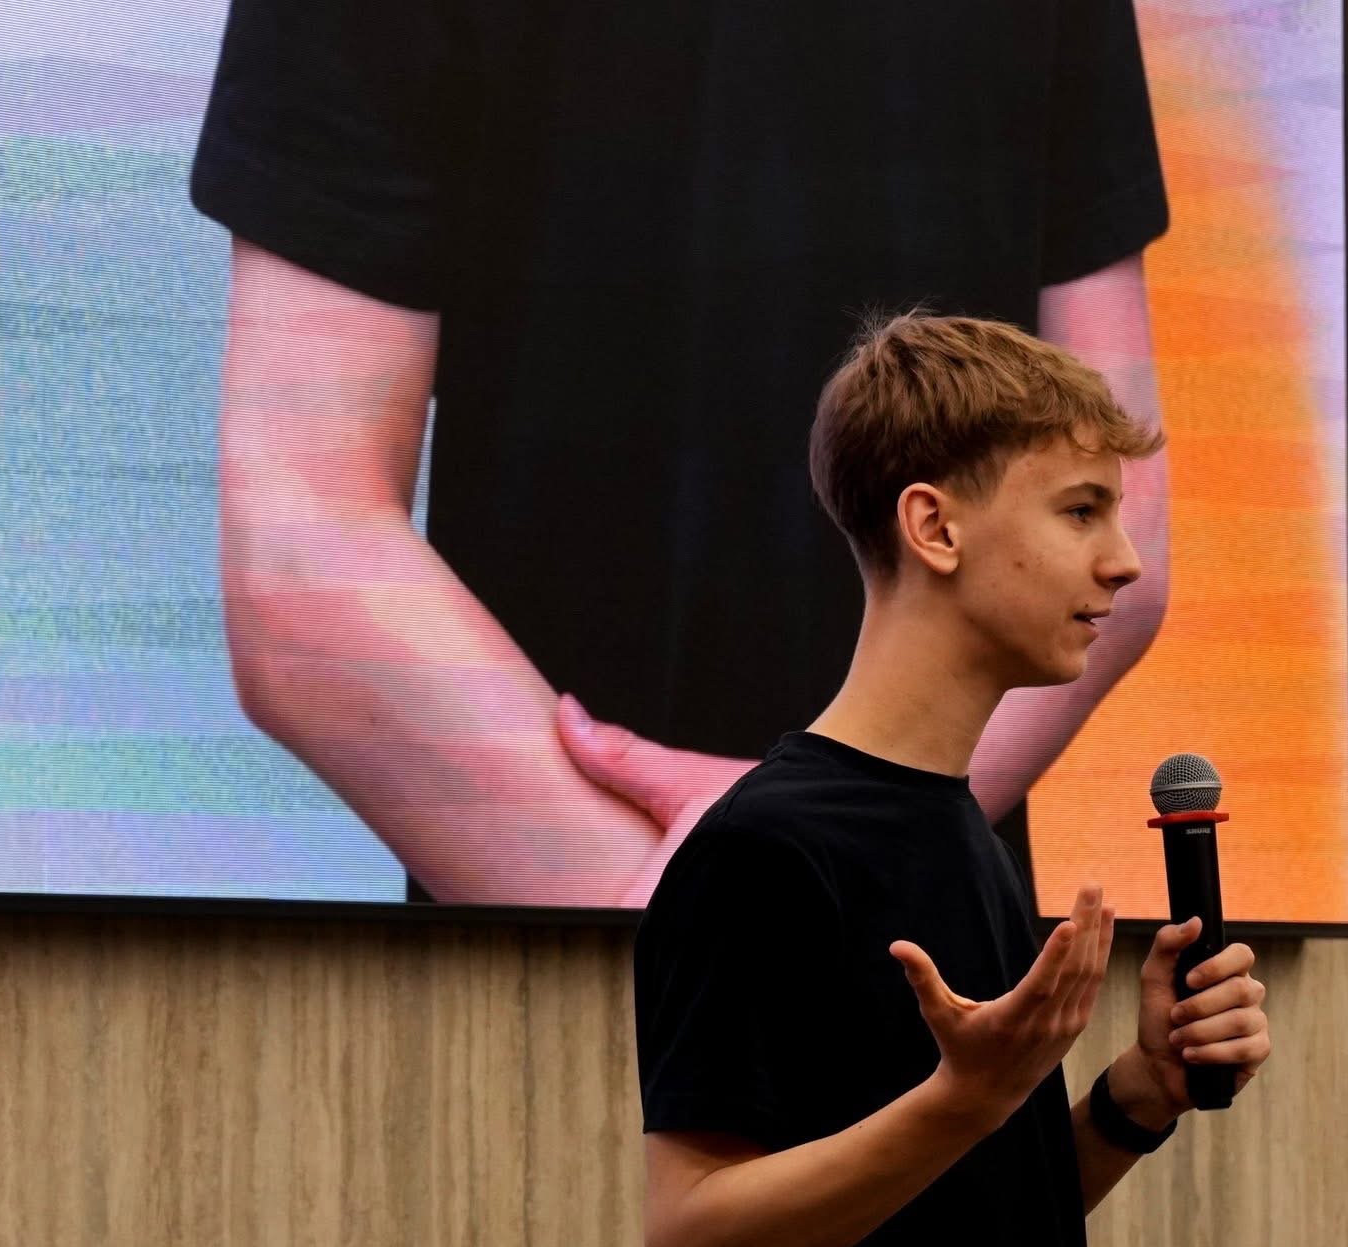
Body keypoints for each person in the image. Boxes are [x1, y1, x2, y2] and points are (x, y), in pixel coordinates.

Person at [190, 0, 1173, 908]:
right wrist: (803, 868)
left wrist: (737, 895)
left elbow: (1109, 511)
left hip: (752, 934)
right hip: (860, 922)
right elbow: (300, 554)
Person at [634, 312, 1272, 1247]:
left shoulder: (958, 831)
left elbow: (964, 1223)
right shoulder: (765, 852)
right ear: (933, 527)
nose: (1123, 563)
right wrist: (964, 1099)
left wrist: (1132, 1098)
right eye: (1080, 511)